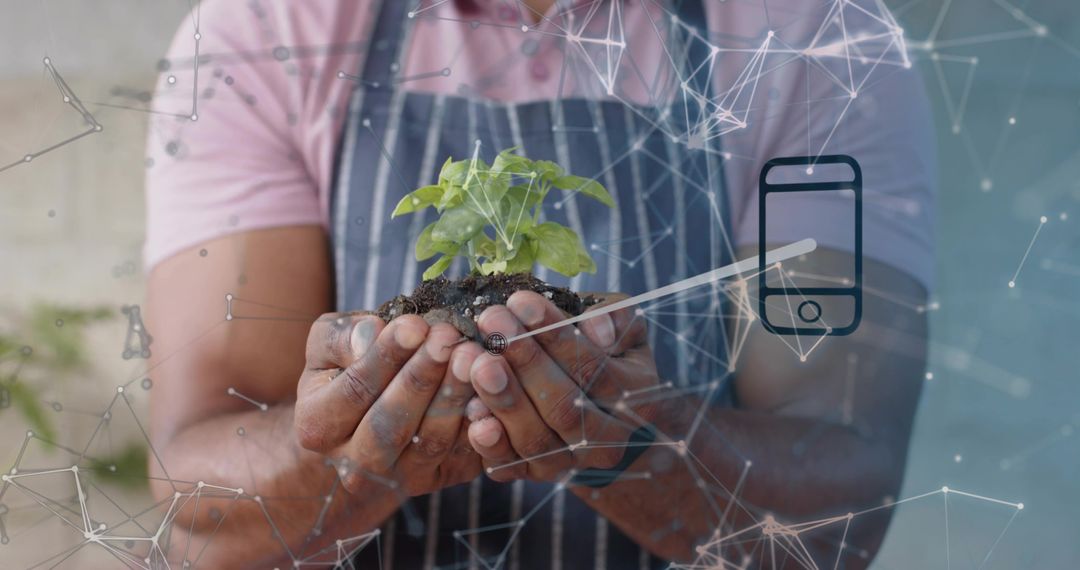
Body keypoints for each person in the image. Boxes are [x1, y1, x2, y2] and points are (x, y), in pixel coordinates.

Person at [144, 0, 936, 567]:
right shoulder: (257, 33)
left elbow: (841, 510)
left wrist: (637, 444)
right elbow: (197, 513)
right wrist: (355, 454)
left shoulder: (822, 37)